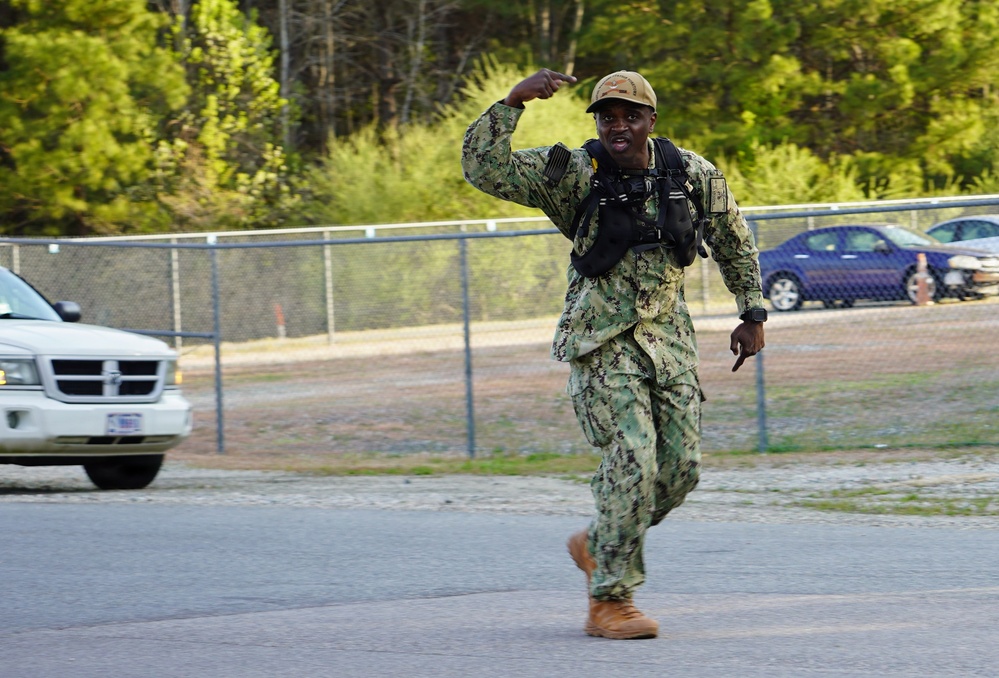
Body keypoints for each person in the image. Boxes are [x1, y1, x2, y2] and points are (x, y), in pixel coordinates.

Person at [460, 69, 766, 640]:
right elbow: (485, 169)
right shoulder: (573, 172)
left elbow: (732, 235)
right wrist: (512, 102)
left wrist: (752, 312)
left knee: (679, 471)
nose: (618, 125)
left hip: (668, 343)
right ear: (598, 123)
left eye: (630, 115)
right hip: (601, 341)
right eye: (607, 116)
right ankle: (611, 599)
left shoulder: (690, 173)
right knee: (633, 459)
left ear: (651, 120)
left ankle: (598, 544)